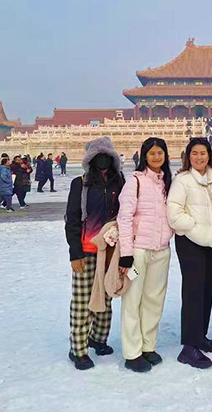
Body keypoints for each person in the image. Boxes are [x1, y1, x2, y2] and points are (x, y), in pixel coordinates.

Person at [64, 137, 126, 370]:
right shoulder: (80, 184)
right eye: (98, 157)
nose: (103, 161)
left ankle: (98, 338)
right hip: (86, 249)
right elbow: (72, 220)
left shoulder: (119, 181)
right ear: (90, 160)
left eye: (107, 157)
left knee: (107, 295)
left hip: (110, 250)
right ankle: (78, 349)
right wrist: (74, 253)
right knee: (82, 301)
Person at [167, 138, 212, 369]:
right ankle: (188, 347)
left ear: (209, 155)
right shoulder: (182, 180)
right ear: (188, 157)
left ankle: (200, 335)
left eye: (203, 153)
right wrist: (195, 229)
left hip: (211, 242)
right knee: (192, 292)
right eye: (194, 154)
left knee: (206, 290)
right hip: (190, 242)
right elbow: (173, 213)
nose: (199, 157)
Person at [117, 137, 174, 373]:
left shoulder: (167, 183)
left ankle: (148, 346)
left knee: (154, 300)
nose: (156, 157)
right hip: (138, 251)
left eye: (160, 153)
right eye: (152, 153)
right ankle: (132, 352)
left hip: (161, 250)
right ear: (144, 156)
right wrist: (126, 254)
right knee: (133, 300)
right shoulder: (135, 181)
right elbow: (125, 217)